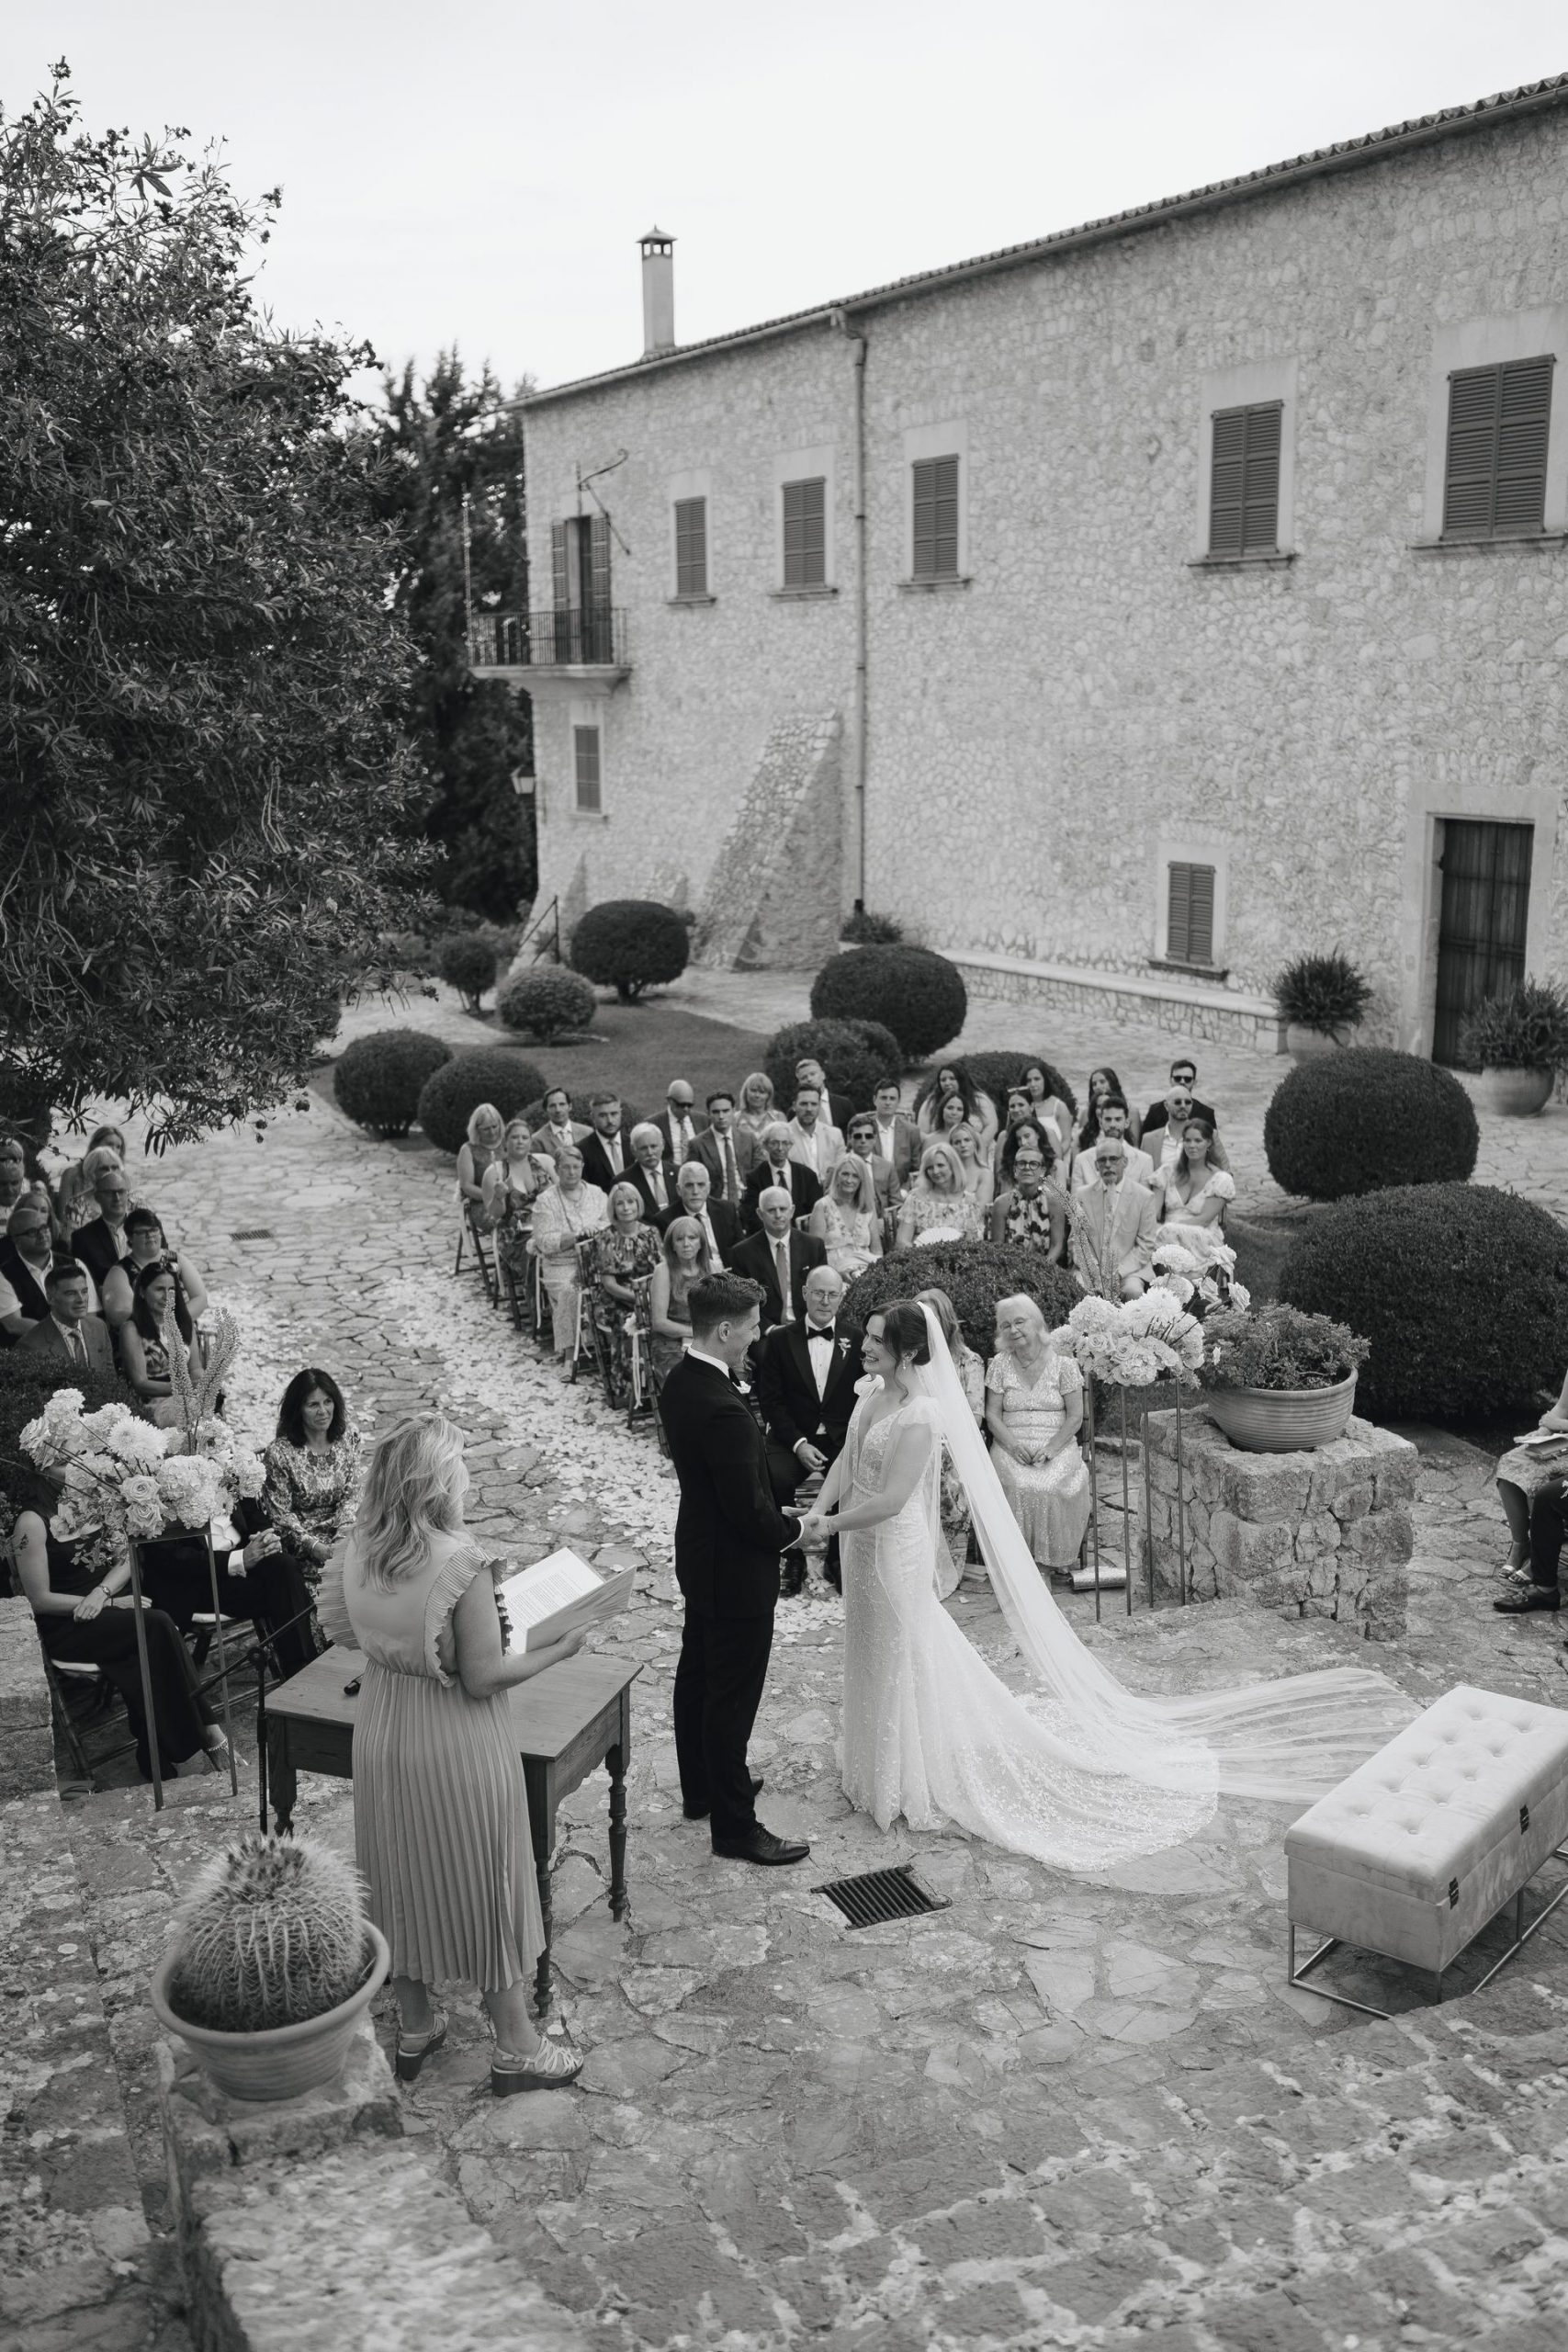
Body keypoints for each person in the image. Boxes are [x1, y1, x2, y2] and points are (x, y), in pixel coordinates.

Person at [796, 1298, 1411, 1863]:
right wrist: (816, 1515)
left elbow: (895, 1498)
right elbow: (849, 1462)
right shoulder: (867, 1395)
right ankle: (875, 1763)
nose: (862, 1347)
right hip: (858, 1544)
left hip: (890, 1545)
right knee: (870, 1647)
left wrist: (826, 1525)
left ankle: (907, 1770)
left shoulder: (922, 1415)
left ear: (905, 1352)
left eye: (874, 1340)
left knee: (905, 1648)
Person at [317, 1414, 586, 2093]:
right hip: (454, 1739)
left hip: (382, 1725)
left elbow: (349, 1633)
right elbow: (483, 1676)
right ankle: (518, 2048)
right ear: (439, 1480)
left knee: (396, 1873)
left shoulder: (361, 1549)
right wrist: (559, 1647)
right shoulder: (459, 1564)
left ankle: (415, 2025)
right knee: (486, 1880)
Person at [657, 1272, 811, 1866]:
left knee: (697, 1676)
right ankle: (734, 1827)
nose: (755, 1336)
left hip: (701, 1554)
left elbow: (734, 1489)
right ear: (724, 1330)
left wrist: (770, 1507)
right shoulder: (719, 1404)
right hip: (733, 1568)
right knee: (730, 1698)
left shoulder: (682, 1380)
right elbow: (747, 1512)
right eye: (749, 1328)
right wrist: (797, 1528)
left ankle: (703, 1789)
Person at [14, 1475, 233, 1783]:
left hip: (112, 1608)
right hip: (69, 1625)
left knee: (145, 1648)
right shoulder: (31, 1521)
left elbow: (127, 1558)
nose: (73, 1466)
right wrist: (111, 1603)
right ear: (40, 1467)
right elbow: (39, 1599)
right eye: (61, 1460)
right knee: (158, 1623)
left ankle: (152, 1754)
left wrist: (104, 1593)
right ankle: (212, 1734)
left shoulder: (95, 1502)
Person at [755, 1264, 857, 1597]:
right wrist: (798, 1443)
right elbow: (771, 1402)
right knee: (775, 1476)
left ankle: (839, 1557)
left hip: (841, 1437)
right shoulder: (781, 1339)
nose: (825, 1301)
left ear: (841, 1298)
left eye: (832, 1294)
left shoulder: (855, 1339)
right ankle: (791, 1555)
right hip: (792, 1436)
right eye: (818, 1293)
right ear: (804, 1294)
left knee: (854, 1478)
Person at [986, 1295, 1091, 1575]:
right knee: (1019, 1486)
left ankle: (1045, 1563)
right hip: (1011, 1444)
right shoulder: (999, 1364)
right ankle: (1020, 1568)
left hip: (1056, 1444)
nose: (1013, 1329)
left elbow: (1075, 1416)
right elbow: (993, 1415)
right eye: (1005, 1325)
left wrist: (1051, 1449)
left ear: (1037, 1322)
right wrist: (1011, 1445)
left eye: (1019, 1321)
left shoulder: (1064, 1363)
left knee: (1049, 1487)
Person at [915, 1287, 986, 1596]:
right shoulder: (908, 1360)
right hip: (916, 1441)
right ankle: (915, 1564)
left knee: (945, 1469)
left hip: (956, 1445)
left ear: (945, 1321)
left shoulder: (969, 1361)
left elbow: (975, 1417)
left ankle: (946, 1566)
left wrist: (940, 1438)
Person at [263, 1370, 366, 1575]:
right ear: (297, 1410)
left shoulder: (349, 1437)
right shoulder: (279, 1453)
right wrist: (313, 1546)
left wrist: (342, 1537)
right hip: (302, 1543)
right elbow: (282, 1515)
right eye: (313, 1405)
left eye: (328, 1402)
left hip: (345, 1533)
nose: (323, 1411)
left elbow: (352, 1495)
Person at [528, 1146, 609, 1366]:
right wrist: (575, 1237)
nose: (571, 1172)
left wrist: (596, 1230)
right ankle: (569, 1353)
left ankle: (611, 1345)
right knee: (569, 1291)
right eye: (566, 1168)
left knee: (613, 1287)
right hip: (561, 1263)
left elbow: (609, 1223)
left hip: (595, 1261)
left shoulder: (597, 1194)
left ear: (582, 1167)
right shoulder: (546, 1200)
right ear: (556, 1169)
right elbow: (544, 1241)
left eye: (576, 1167)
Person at [1070, 1138, 1157, 1299]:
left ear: (1125, 1162)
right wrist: (1093, 1270)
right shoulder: (1083, 1195)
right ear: (1096, 1166)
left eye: (1113, 1159)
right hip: (1091, 1269)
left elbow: (1146, 1244)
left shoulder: (1144, 1197)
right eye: (1102, 1160)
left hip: (1129, 1270)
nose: (1108, 1165)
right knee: (1081, 1289)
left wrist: (1118, 1273)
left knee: (1133, 1291)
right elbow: (1077, 1240)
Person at [729, 1188, 827, 1329]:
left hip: (807, 1327)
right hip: (766, 1332)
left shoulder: (813, 1246)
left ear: (792, 1211)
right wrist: (770, 1329)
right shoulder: (743, 1253)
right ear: (760, 1214)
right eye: (771, 1210)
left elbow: (823, 1294)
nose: (778, 1215)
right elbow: (742, 1304)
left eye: (783, 1209)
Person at [100, 1209, 209, 1333]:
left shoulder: (175, 1259)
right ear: (130, 1237)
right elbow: (121, 1313)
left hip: (180, 1331)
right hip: (144, 1341)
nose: (150, 1235)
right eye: (142, 1232)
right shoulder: (120, 1272)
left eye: (154, 1230)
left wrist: (175, 1322)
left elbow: (200, 1297)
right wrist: (160, 1328)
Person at [120, 1261, 204, 1419]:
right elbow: (141, 1384)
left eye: (172, 1289)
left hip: (187, 1397)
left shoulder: (184, 1321)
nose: (167, 1296)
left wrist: (202, 1382)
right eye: (159, 1289)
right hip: (153, 1403)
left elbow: (195, 1368)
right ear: (142, 1292)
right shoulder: (132, 1329)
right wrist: (184, 1389)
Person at [0, 1197, 84, 1342]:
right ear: (15, 1240)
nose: (42, 1234)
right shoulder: (4, 1275)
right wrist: (62, 1337)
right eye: (32, 1232)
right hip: (28, 1355)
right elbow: (14, 1324)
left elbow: (90, 1313)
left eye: (44, 1228)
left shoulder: (75, 1264)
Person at [1151, 1117, 1235, 1262]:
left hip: (1202, 1234)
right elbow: (1153, 1211)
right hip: (1167, 1234)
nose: (1192, 1145)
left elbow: (1204, 1220)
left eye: (1198, 1140)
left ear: (1208, 1143)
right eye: (1187, 1140)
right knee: (1153, 1237)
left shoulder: (1220, 1179)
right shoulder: (1168, 1171)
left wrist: (1169, 1228)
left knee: (1165, 1236)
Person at [18, 1263, 115, 1379]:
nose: (81, 1300)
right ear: (50, 1298)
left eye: (84, 1291)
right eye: (71, 1293)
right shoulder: (30, 1346)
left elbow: (111, 1380)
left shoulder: (99, 1327)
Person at [649, 1216, 713, 1378]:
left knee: (735, 1371)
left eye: (692, 1237)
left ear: (701, 1243)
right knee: (689, 1377)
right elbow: (659, 1323)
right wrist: (695, 1333)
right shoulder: (663, 1271)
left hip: (708, 1339)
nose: (686, 1244)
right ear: (672, 1246)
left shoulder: (713, 1267)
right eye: (679, 1239)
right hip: (671, 1342)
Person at [480, 1119, 544, 1283]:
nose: (520, 1141)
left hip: (547, 1227)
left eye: (525, 1137)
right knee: (539, 1258)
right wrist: (499, 1196)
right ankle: (536, 1303)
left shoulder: (545, 1163)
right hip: (515, 1236)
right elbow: (495, 1213)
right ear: (505, 1142)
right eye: (515, 1137)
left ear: (531, 1141)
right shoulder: (496, 1171)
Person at [987, 1138, 1066, 1261]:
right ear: (1015, 1170)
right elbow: (997, 1247)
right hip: (1009, 1269)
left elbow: (1057, 1245)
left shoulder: (1054, 1203)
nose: (1027, 1168)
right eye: (1022, 1163)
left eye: (1033, 1164)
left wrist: (1043, 1270)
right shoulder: (1001, 1204)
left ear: (1042, 1171)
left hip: (1047, 1269)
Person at [808, 1153, 884, 1278]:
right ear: (837, 1176)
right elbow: (814, 1255)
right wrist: (836, 1275)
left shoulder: (868, 1207)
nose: (849, 1180)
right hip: (833, 1274)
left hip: (865, 1272)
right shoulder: (822, 1206)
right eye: (845, 1174)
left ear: (861, 1180)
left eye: (855, 1176)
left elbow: (877, 1250)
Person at [895, 1142, 982, 1248]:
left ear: (953, 1167)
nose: (935, 1171)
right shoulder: (916, 1198)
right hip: (919, 1259)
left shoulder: (968, 1202)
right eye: (930, 1167)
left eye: (940, 1165)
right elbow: (902, 1241)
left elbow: (972, 1244)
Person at [739, 1123, 821, 1233]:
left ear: (791, 1145)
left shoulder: (807, 1175)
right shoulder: (755, 1177)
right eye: (774, 1143)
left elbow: (816, 1213)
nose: (780, 1148)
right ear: (765, 1145)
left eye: (785, 1143)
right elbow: (753, 1217)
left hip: (802, 1237)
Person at [660, 1159, 739, 1264]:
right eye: (689, 1185)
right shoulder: (665, 1220)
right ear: (679, 1189)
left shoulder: (727, 1209)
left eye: (701, 1185)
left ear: (709, 1188)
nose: (695, 1191)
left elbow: (740, 1251)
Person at [73, 1160, 138, 1286]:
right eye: (110, 1192)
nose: (117, 1198)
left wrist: (170, 1303)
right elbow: (84, 1282)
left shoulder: (149, 1226)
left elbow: (167, 1260)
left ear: (127, 1195)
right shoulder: (82, 1238)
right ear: (97, 1197)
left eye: (121, 1192)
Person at [1071, 1098, 1154, 1190]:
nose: (1112, 1124)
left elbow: (1145, 1201)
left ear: (1127, 1123)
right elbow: (1075, 1201)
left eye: (1118, 1119)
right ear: (1101, 1123)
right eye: (1108, 1119)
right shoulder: (1082, 1160)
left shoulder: (1144, 1161)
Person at [56, 1127, 130, 1231]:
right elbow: (63, 1216)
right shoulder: (72, 1174)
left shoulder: (123, 1178)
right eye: (109, 1144)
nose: (114, 1150)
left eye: (118, 1147)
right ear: (95, 1145)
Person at [686, 1091, 749, 1206]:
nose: (721, 1116)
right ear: (708, 1113)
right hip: (716, 1205)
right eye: (716, 1112)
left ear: (734, 1111)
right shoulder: (697, 1145)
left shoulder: (748, 1139)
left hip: (746, 1203)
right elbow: (692, 1178)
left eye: (725, 1111)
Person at [917, 1063, 997, 1151]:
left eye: (952, 1078)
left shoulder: (979, 1099)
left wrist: (977, 1149)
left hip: (978, 1151)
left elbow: (991, 1126)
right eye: (943, 1080)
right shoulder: (931, 1102)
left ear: (961, 1080)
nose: (947, 1083)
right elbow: (922, 1133)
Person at [1142, 1057, 1217, 1144]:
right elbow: (1144, 1145)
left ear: (1194, 1082)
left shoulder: (1206, 1114)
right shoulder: (1155, 1111)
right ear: (1170, 1080)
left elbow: (1213, 1148)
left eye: (1187, 1079)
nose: (1182, 1082)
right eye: (1178, 1078)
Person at [578, 1092, 637, 1195]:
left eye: (614, 1114)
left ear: (620, 1113)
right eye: (602, 1115)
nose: (610, 1121)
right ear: (593, 1117)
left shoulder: (634, 1144)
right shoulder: (582, 1150)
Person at [786, 1084, 842, 1185]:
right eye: (803, 1104)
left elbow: (841, 1168)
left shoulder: (835, 1135)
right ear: (794, 1106)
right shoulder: (784, 1134)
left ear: (820, 1106)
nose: (809, 1109)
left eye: (814, 1104)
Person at [869, 1080, 919, 1189]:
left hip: (902, 1193)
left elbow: (917, 1170)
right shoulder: (864, 1128)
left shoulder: (911, 1131)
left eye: (892, 1098)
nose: (888, 1102)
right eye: (883, 1098)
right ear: (874, 1100)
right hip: (869, 1191)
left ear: (898, 1102)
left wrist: (905, 1191)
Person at [456, 1105, 505, 1216]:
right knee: (502, 1223)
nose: (492, 1132)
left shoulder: (508, 1143)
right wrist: (494, 1197)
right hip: (482, 1202)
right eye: (486, 1129)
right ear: (476, 1129)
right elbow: (467, 1185)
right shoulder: (468, 1149)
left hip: (511, 1199)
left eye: (494, 1126)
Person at [1077, 1068, 1138, 1155]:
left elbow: (1135, 1143)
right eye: (1094, 1084)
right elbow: (1082, 1140)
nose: (1097, 1087)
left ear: (1112, 1083)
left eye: (1102, 1082)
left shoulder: (1132, 1111)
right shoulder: (1086, 1113)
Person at [626, 1124, 677, 1224]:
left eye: (653, 1146)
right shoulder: (625, 1181)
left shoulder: (678, 1173)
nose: (650, 1153)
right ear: (633, 1150)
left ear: (662, 1145)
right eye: (644, 1148)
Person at [1021, 1065, 1074, 1159]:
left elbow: (1067, 1140)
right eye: (1029, 1081)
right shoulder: (1020, 1107)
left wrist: (1054, 1157)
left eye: (1037, 1079)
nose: (1032, 1084)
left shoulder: (1059, 1106)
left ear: (1045, 1080)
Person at [529, 1087, 591, 1168]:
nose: (558, 1110)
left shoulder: (587, 1133)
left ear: (570, 1106)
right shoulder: (537, 1139)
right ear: (546, 1109)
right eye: (552, 1106)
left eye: (562, 1104)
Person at [794, 1057, 855, 1136]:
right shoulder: (796, 1110)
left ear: (823, 1075)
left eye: (812, 1074)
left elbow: (855, 1132)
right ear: (800, 1083)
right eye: (803, 1078)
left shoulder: (844, 1104)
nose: (809, 1079)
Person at [948, 1120, 995, 1211]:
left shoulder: (985, 1174)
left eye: (967, 1140)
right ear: (951, 1147)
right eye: (957, 1142)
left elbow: (982, 1208)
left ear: (975, 1143)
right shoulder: (948, 1172)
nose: (963, 1145)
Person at [654, 1081, 705, 1165]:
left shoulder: (703, 1121)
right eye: (681, 1105)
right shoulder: (654, 1124)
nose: (686, 1109)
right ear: (669, 1101)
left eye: (689, 1105)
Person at [734, 1073, 779, 1164]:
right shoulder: (736, 1118)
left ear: (768, 1096)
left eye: (762, 1092)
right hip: (745, 1168)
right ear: (746, 1092)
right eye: (753, 1091)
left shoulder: (777, 1117)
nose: (757, 1095)